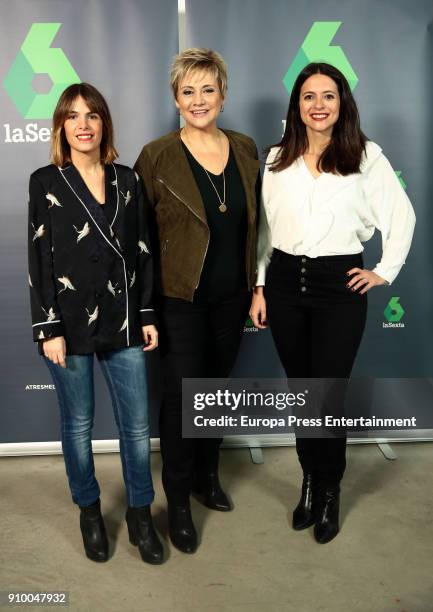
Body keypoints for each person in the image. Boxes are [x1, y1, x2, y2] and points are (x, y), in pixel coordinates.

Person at [250, 62, 415, 544]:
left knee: (327, 398)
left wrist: (383, 271)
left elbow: (401, 216)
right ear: (296, 106)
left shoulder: (366, 156)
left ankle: (329, 492)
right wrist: (259, 285)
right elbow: (264, 228)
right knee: (304, 397)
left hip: (337, 288)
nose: (318, 105)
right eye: (308, 96)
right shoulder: (277, 158)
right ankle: (308, 479)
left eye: (328, 96)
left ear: (342, 103)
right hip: (283, 283)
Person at [28, 83, 164, 564]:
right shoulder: (45, 181)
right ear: (61, 126)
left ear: (105, 123)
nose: (83, 124)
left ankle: (140, 515)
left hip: (124, 320)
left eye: (92, 115)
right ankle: (89, 511)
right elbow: (40, 260)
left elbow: (143, 251)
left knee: (136, 425)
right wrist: (48, 329)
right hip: (68, 325)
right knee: (78, 424)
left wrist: (146, 313)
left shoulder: (128, 180)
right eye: (73, 116)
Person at [134, 48, 260, 554]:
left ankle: (209, 476)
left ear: (223, 96)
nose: (199, 99)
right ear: (176, 98)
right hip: (177, 300)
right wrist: (144, 306)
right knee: (184, 400)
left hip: (232, 299)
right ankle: (179, 499)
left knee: (217, 394)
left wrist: (258, 287)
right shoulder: (157, 155)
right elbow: (140, 239)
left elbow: (260, 227)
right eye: (189, 91)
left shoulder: (248, 149)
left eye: (208, 89)